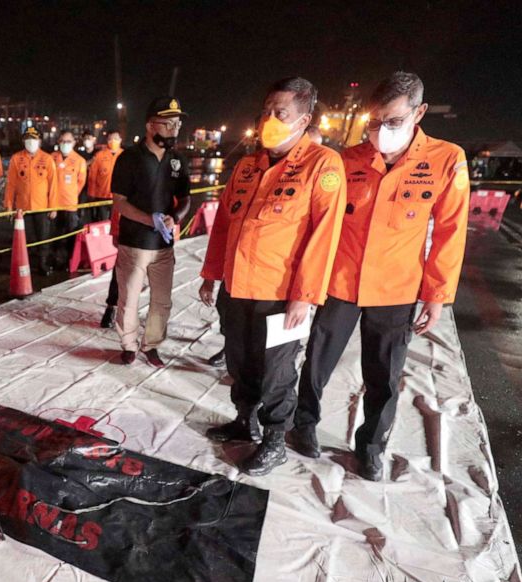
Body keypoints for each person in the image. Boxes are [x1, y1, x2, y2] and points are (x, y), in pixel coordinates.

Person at [291, 72, 469, 481]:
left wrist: (436, 295)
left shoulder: (445, 159)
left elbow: (449, 233)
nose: (380, 131)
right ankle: (303, 426)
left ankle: (370, 447)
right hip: (340, 283)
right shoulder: (348, 159)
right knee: (317, 361)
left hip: (396, 288)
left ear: (419, 112)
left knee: (383, 376)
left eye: (391, 121)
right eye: (374, 122)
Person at [199, 77, 345, 477]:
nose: (270, 119)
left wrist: (305, 295)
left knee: (277, 370)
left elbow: (324, 236)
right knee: (240, 360)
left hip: (281, 295)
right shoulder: (248, 166)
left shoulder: (323, 165)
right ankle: (244, 421)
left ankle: (275, 439)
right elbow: (224, 228)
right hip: (237, 288)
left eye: (280, 112)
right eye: (266, 110)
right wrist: (212, 275)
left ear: (304, 119)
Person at [110, 97, 192, 367]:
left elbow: (186, 198)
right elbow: (120, 201)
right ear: (149, 125)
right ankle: (129, 344)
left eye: (177, 124)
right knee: (129, 299)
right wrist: (149, 219)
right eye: (168, 124)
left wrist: (175, 218)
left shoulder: (177, 160)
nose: (174, 129)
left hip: (164, 245)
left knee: (162, 301)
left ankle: (152, 344)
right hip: (134, 243)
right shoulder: (129, 159)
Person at [4, 126, 58, 275]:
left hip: (42, 207)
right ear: (23, 141)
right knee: (23, 239)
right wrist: (8, 205)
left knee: (43, 238)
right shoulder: (16, 158)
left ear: (39, 141)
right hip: (23, 208)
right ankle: (23, 265)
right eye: (27, 139)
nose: (30, 142)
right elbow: (11, 184)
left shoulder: (47, 159)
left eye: (34, 139)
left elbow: (53, 185)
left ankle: (43, 264)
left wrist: (53, 207)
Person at [88, 129, 124, 328]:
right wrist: (116, 232)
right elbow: (121, 204)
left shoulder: (125, 157)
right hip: (128, 229)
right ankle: (111, 307)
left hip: (148, 233)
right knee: (120, 272)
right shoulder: (103, 157)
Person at [52, 130, 87, 266]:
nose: (64, 144)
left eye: (68, 141)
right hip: (53, 204)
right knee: (55, 234)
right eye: (62, 141)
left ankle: (70, 260)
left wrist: (71, 194)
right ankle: (55, 259)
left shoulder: (79, 161)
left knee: (70, 234)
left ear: (74, 142)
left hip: (70, 204)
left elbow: (80, 182)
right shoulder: (52, 158)